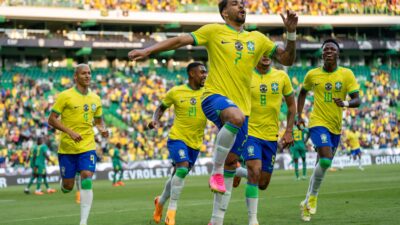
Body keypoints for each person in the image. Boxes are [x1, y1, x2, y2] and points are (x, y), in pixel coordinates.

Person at [128, 2, 297, 224]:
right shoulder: (213, 31)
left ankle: (216, 220)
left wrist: (291, 34)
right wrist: (148, 50)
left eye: (243, 3)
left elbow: (287, 59)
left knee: (231, 164)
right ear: (224, 12)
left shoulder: (258, 38)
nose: (242, 6)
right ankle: (215, 169)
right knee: (233, 123)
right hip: (213, 98)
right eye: (236, 3)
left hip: (242, 111)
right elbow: (180, 40)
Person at [297, 39, 361, 222]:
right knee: (325, 159)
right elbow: (302, 93)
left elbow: (357, 100)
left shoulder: (346, 74)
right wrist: (299, 116)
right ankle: (314, 197)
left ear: (338, 54)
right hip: (318, 122)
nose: (328, 52)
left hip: (335, 126)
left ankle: (307, 202)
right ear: (322, 54)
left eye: (332, 49)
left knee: (323, 165)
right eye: (325, 50)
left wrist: (346, 103)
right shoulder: (312, 74)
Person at [231, 56, 296, 225]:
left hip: (271, 136)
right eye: (262, 52)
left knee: (263, 183)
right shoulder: (245, 75)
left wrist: (289, 130)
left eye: (268, 53)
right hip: (250, 132)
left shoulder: (282, 77)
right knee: (255, 170)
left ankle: (237, 171)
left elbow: (291, 106)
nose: (266, 56)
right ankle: (253, 220)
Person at [48, 64, 109, 225]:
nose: (87, 76)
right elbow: (52, 119)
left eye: (89, 73)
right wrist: (70, 132)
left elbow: (98, 120)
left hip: (87, 146)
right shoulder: (65, 96)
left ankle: (83, 221)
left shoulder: (96, 98)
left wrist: (103, 129)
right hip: (67, 148)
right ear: (76, 77)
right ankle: (67, 181)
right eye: (83, 73)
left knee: (87, 177)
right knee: (67, 187)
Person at [150, 62, 208, 225]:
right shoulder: (176, 91)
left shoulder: (209, 92)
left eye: (206, 72)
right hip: (177, 138)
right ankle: (171, 212)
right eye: (201, 72)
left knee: (177, 175)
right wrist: (155, 120)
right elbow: (161, 108)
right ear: (191, 74)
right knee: (182, 168)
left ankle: (160, 202)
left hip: (195, 143)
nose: (205, 75)